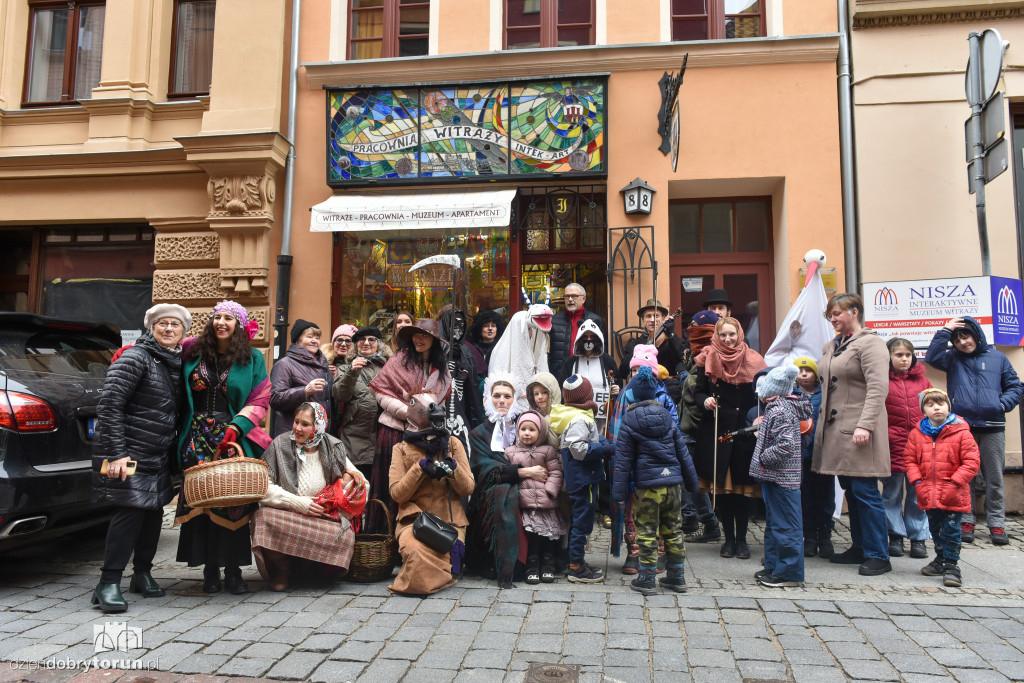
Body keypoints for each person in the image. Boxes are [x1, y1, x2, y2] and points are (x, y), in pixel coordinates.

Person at [91, 303, 191, 612]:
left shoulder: (174, 363)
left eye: (175, 325)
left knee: (152, 513)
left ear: (183, 333)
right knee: (129, 513)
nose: (169, 329)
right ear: (152, 328)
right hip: (129, 453)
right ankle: (107, 583)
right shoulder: (136, 357)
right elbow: (109, 407)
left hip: (157, 455)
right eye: (163, 324)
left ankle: (142, 574)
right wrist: (118, 455)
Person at [175, 300, 271, 595]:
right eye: (217, 317)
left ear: (239, 326)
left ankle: (234, 571)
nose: (222, 322)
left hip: (232, 437)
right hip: (196, 437)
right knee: (202, 502)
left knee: (234, 502)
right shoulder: (192, 352)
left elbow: (261, 398)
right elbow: (161, 348)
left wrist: (237, 427)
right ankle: (209, 571)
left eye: (229, 318)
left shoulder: (253, 358)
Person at [811, 293, 892, 576]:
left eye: (837, 314)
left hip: (859, 431)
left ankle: (878, 554)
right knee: (852, 491)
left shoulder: (871, 343)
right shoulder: (832, 345)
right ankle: (860, 547)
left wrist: (865, 425)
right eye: (830, 315)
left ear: (854, 312)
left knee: (866, 491)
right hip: (837, 432)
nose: (832, 319)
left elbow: (878, 388)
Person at [924, 316, 1023, 545]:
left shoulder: (998, 358)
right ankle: (966, 520)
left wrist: (1001, 405)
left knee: (994, 477)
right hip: (962, 427)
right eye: (957, 339)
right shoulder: (952, 359)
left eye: (965, 336)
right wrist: (945, 331)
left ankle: (997, 523)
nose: (962, 342)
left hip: (992, 427)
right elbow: (932, 357)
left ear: (976, 335)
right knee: (963, 477)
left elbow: (1015, 386)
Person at [252, 403, 367, 591]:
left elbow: (362, 482)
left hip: (321, 518)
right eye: (296, 422)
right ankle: (284, 570)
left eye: (305, 424)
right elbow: (262, 486)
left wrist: (344, 488)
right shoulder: (280, 445)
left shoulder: (333, 446)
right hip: (289, 515)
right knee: (262, 518)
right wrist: (296, 502)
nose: (297, 428)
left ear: (318, 426)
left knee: (345, 533)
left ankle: (310, 568)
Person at [613, 366, 698, 595]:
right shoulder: (668, 418)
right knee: (673, 530)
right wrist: (692, 484)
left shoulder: (630, 420)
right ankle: (676, 576)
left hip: (648, 488)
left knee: (647, 532)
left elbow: (623, 461)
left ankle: (647, 578)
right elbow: (682, 453)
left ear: (633, 395)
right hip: (673, 485)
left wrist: (619, 494)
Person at [693, 316, 766, 560]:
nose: (727, 339)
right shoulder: (707, 357)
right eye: (722, 334)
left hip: (744, 433)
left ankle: (743, 541)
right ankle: (728, 540)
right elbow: (698, 391)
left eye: (731, 334)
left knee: (741, 490)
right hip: (717, 432)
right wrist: (705, 400)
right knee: (723, 491)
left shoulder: (754, 359)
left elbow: (763, 394)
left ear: (739, 334)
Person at [368, 318, 451, 531]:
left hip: (427, 436)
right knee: (393, 486)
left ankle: (416, 537)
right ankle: (385, 538)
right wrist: (408, 412)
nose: (418, 339)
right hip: (395, 431)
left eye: (424, 335)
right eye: (416, 334)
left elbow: (440, 401)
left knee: (419, 487)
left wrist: (426, 417)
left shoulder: (441, 369)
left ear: (434, 339)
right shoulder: (399, 360)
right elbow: (380, 393)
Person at [388, 389, 474, 595]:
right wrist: (420, 468)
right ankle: (434, 576)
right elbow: (397, 494)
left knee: (441, 554)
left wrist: (453, 469)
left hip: (449, 524)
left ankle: (439, 571)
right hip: (415, 522)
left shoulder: (453, 444)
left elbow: (468, 488)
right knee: (417, 554)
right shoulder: (400, 449)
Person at [904, 388, 981, 588]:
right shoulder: (917, 434)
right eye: (930, 405)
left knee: (952, 530)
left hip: (953, 493)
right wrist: (917, 482)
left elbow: (971, 462)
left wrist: (956, 481)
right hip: (927, 493)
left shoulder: (961, 432)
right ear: (923, 410)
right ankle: (940, 559)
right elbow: (910, 460)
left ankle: (952, 565)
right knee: (935, 529)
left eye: (940, 404)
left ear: (948, 406)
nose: (936, 408)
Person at [749, 365, 812, 588]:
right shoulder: (779, 408)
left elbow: (786, 445)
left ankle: (789, 573)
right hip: (776, 477)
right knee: (776, 523)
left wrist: (765, 458)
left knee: (786, 525)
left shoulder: (781, 411)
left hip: (782, 477)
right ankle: (774, 566)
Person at [549, 375, 614, 583]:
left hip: (584, 479)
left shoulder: (577, 415)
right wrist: (603, 448)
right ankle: (576, 567)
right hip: (582, 479)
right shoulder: (578, 420)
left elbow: (589, 439)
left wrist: (604, 441)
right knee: (582, 523)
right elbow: (579, 449)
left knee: (582, 521)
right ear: (585, 395)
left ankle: (579, 561)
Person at [467, 375, 524, 586]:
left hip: (525, 486)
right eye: (496, 395)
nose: (501, 400)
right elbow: (483, 469)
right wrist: (520, 472)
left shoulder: (526, 428)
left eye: (507, 396)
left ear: (514, 399)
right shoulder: (477, 434)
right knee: (501, 493)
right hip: (489, 488)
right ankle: (496, 561)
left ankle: (528, 561)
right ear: (487, 399)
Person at [882, 337, 932, 559]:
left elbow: (935, 410)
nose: (903, 359)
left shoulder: (923, 383)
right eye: (898, 355)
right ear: (889, 357)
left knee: (917, 495)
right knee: (891, 494)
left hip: (918, 448)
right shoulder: (882, 381)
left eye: (907, 355)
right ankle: (895, 535)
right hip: (892, 446)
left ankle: (918, 537)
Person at [505, 410, 566, 584]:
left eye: (532, 430)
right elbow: (510, 473)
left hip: (546, 503)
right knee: (531, 536)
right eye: (523, 429)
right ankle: (531, 565)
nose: (527, 433)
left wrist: (550, 491)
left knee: (547, 535)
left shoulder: (547, 451)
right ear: (517, 431)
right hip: (526, 503)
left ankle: (548, 564)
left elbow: (556, 472)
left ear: (540, 432)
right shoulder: (511, 452)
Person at [679, 310, 723, 545]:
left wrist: (684, 377)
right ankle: (701, 520)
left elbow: (697, 390)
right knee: (689, 478)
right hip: (688, 426)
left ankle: (709, 522)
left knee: (693, 479)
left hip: (699, 426)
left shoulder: (713, 354)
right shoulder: (694, 353)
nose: (690, 332)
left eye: (696, 327)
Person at [332, 326, 392, 480]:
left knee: (379, 488)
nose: (366, 343)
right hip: (354, 440)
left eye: (371, 339)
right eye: (361, 339)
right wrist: (352, 372)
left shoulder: (389, 368)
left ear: (379, 344)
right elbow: (340, 395)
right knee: (355, 488)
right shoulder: (345, 368)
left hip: (383, 438)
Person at [793, 356, 834, 558]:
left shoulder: (825, 394)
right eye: (800, 372)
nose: (804, 375)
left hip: (823, 452)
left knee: (825, 496)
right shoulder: (792, 395)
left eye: (808, 371)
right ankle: (809, 536)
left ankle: (825, 535)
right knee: (806, 496)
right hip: (802, 454)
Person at [270, 320, 331, 438]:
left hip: (318, 435)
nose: (315, 341)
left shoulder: (324, 365)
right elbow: (275, 399)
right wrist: (305, 391)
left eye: (317, 338)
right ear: (298, 340)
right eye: (309, 337)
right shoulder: (284, 364)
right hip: (292, 434)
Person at [437, 306, 484, 455]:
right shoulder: (436, 349)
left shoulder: (466, 352)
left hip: (462, 409)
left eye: (461, 325)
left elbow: (472, 389)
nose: (458, 328)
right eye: (453, 324)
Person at [561, 319, 619, 433]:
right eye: (585, 336)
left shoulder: (608, 361)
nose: (588, 340)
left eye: (592, 336)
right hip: (576, 420)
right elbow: (562, 388)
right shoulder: (570, 362)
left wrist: (617, 390)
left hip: (602, 422)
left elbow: (618, 382)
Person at [548, 283, 607, 384]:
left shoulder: (595, 320)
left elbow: (602, 349)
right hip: (560, 372)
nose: (570, 299)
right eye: (567, 296)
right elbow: (548, 350)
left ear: (583, 299)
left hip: (587, 371)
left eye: (574, 296)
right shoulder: (554, 320)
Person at [618, 299, 686, 379]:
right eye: (648, 316)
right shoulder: (634, 344)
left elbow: (682, 360)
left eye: (656, 316)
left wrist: (672, 335)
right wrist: (643, 347)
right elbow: (623, 372)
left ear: (663, 319)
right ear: (643, 320)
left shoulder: (672, 340)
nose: (652, 320)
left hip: (669, 388)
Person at [526, 371, 562, 448]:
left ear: (553, 393)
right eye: (536, 394)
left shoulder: (561, 417)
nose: (540, 397)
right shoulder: (530, 418)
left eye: (544, 392)